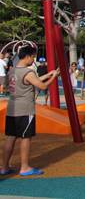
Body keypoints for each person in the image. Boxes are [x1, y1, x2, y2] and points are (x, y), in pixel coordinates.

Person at [1, 44, 59, 176]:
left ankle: (4, 167)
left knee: (10, 137)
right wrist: (54, 76)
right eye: (33, 57)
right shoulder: (28, 72)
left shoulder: (12, 71)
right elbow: (42, 86)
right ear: (27, 57)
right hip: (25, 109)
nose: (33, 60)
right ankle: (25, 167)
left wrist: (49, 74)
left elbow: (33, 81)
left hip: (12, 108)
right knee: (26, 138)